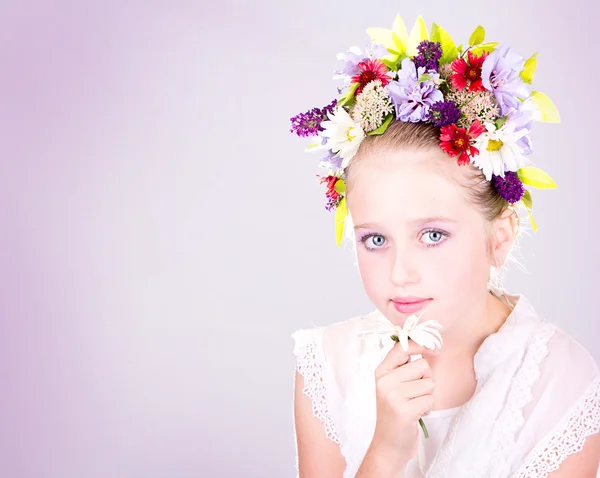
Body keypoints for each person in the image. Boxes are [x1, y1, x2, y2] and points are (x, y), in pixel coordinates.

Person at [289, 14, 600, 478]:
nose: (400, 273)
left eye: (432, 235)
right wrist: (385, 454)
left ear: (500, 238)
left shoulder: (561, 381)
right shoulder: (328, 366)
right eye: (376, 239)